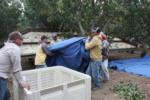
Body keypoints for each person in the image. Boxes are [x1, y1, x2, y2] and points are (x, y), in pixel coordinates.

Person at [0, 31, 30, 100]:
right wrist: (22, 82)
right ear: (16, 40)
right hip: (1, 78)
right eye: (21, 39)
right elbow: (16, 69)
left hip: (2, 77)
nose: (22, 40)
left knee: (7, 95)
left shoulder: (6, 46)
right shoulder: (14, 48)